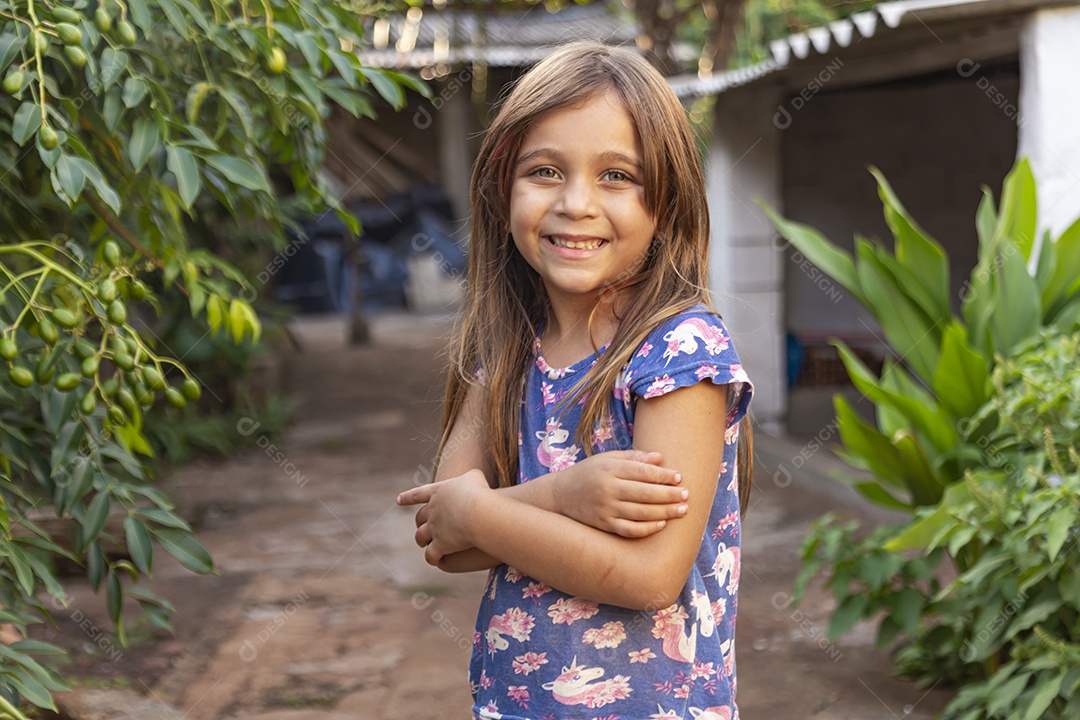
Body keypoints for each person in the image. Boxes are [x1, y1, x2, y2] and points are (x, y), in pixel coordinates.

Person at [396, 40, 754, 720]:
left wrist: (482, 510)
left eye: (617, 175)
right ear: (502, 190)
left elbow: (650, 576)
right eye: (545, 171)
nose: (576, 202)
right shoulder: (506, 354)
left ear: (667, 203)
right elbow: (446, 538)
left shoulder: (678, 352)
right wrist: (561, 494)